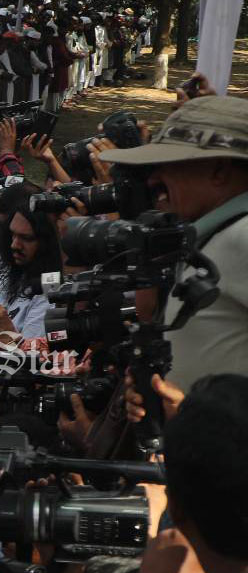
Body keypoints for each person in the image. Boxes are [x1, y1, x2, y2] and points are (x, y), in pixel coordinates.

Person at [98, 95, 248, 387]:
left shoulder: (242, 237)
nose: (155, 179)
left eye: (172, 164)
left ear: (219, 170)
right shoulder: (214, 237)